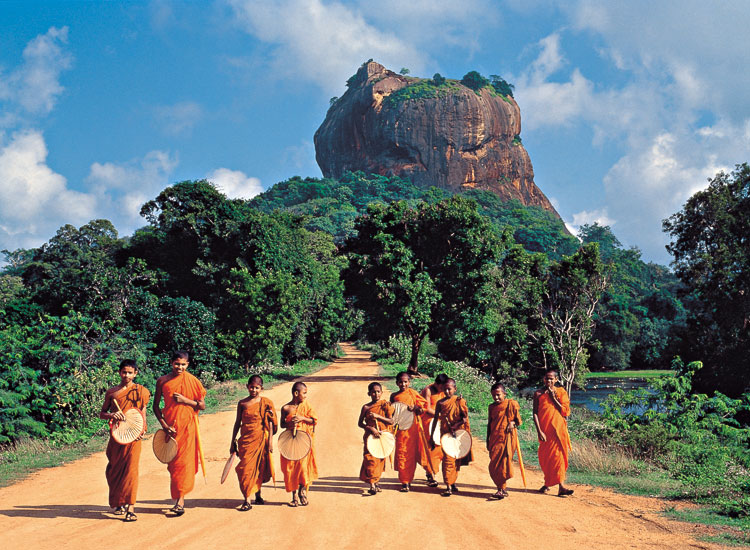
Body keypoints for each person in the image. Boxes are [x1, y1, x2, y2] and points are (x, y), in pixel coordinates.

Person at [153, 350, 207, 516]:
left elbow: (202, 405)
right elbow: (155, 407)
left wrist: (186, 401)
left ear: (188, 365)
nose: (180, 367)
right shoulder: (163, 381)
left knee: (183, 464)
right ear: (171, 363)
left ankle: (180, 501)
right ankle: (178, 497)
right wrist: (164, 425)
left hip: (188, 428)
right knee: (173, 465)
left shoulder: (193, 381)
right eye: (177, 364)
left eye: (183, 364)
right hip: (170, 428)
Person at [99, 359, 151, 522]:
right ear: (119, 372)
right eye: (124, 372)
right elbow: (102, 413)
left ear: (136, 373)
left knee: (131, 471)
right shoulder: (112, 392)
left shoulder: (141, 391)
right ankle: (119, 502)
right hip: (117, 436)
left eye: (130, 372)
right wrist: (111, 415)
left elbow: (142, 412)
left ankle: (131, 508)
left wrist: (142, 429)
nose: (127, 375)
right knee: (114, 470)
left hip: (134, 437)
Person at [229, 375, 278, 511]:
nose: (254, 390)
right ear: (247, 386)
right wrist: (232, 441)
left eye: (257, 388)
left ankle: (257, 495)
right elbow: (237, 423)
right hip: (246, 441)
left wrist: (271, 443)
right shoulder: (242, 403)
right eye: (252, 387)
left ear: (261, 388)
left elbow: (272, 425)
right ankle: (247, 499)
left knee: (259, 468)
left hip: (261, 439)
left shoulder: (266, 403)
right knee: (245, 469)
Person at [533, 369, 574, 497]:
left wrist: (553, 397)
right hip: (545, 431)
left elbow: (565, 412)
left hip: (558, 431)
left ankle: (561, 486)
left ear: (556, 380)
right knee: (546, 459)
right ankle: (547, 483)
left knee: (558, 458)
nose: (549, 381)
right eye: (546, 378)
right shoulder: (538, 393)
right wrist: (539, 431)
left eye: (551, 378)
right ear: (543, 379)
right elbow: (535, 413)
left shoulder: (561, 392)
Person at [430, 378, 473, 497]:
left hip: (458, 435)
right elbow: (435, 420)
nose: (447, 392)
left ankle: (452, 482)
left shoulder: (459, 401)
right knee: (448, 460)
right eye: (445, 389)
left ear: (455, 389)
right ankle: (448, 485)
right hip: (446, 435)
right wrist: (432, 436)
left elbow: (465, 418)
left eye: (449, 389)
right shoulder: (440, 403)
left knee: (456, 460)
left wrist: (456, 425)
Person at [279, 381, 318, 506]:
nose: (306, 396)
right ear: (296, 393)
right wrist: (290, 424)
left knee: (302, 468)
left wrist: (302, 418)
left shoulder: (307, 406)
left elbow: (313, 420)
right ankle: (294, 496)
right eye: (304, 393)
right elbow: (282, 425)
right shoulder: (285, 408)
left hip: (304, 442)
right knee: (290, 469)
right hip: (290, 442)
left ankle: (302, 492)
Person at [390, 372, 428, 492]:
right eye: (401, 382)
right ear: (397, 383)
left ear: (409, 382)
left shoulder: (413, 394)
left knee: (416, 454)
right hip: (401, 430)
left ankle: (430, 475)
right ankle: (405, 482)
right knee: (403, 454)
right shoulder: (394, 396)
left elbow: (422, 409)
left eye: (405, 382)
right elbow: (392, 412)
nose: (403, 384)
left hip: (414, 429)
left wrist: (416, 408)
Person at [486, 382, 522, 500]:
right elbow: (489, 424)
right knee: (494, 465)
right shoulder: (491, 407)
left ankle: (500, 490)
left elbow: (518, 420)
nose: (496, 398)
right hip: (495, 439)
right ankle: (502, 489)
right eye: (494, 395)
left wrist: (512, 422)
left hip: (507, 440)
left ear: (504, 394)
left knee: (503, 464)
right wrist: (487, 439)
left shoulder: (511, 404)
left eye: (498, 395)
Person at [358, 381, 394, 495]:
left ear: (382, 393)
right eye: (373, 392)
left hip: (383, 436)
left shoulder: (385, 405)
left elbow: (391, 421)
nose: (376, 394)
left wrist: (378, 416)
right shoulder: (366, 407)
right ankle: (372, 485)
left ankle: (375, 481)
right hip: (370, 437)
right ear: (369, 393)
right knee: (370, 460)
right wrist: (370, 429)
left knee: (379, 460)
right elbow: (360, 423)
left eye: (378, 392)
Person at [420, 373, 448, 487]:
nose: (442, 389)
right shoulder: (428, 390)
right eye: (441, 387)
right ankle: (430, 474)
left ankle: (432, 471)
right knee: (432, 447)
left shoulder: (444, 390)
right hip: (429, 422)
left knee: (441, 448)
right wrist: (440, 415)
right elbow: (427, 409)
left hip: (441, 422)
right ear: (436, 383)